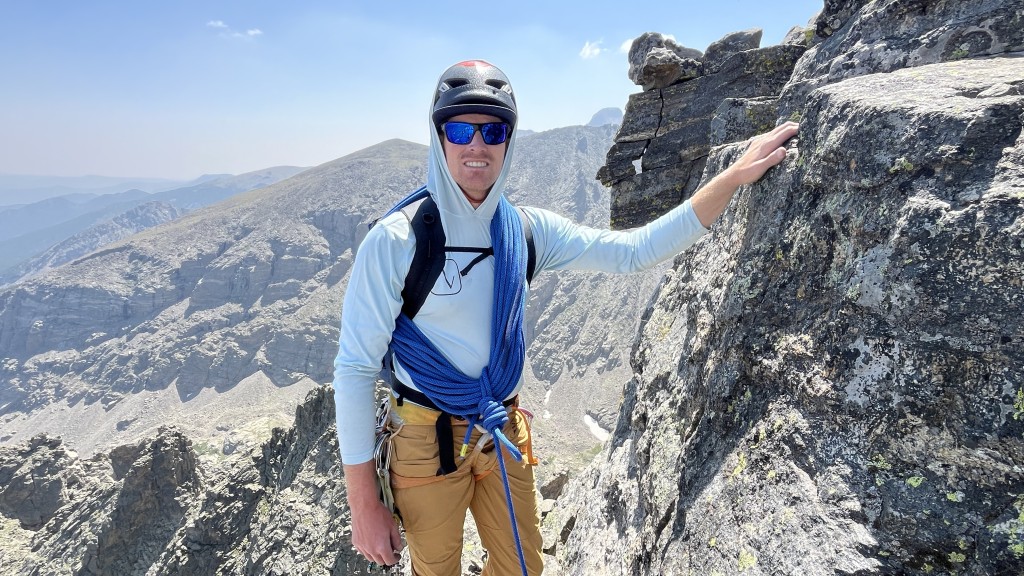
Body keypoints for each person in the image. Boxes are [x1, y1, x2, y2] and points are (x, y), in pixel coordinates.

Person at [333, 59, 799, 576]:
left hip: (500, 429)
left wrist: (732, 177)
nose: (476, 145)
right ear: (439, 135)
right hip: (425, 441)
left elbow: (633, 251)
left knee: (524, 568)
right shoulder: (397, 240)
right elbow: (355, 369)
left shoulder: (527, 231)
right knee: (434, 569)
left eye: (493, 130)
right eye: (460, 128)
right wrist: (363, 505)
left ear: (509, 140)